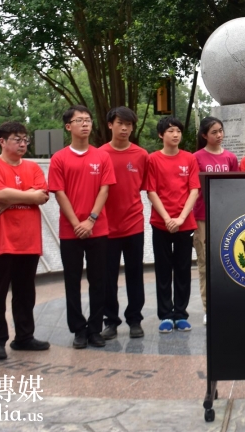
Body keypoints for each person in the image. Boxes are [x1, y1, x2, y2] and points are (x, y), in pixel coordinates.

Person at [0, 122, 50, 361]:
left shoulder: (33, 167)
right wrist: (26, 195)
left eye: (25, 139)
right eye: (17, 139)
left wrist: (11, 198)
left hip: (28, 241)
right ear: (2, 141)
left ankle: (24, 337)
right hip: (0, 241)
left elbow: (42, 196)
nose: (22, 144)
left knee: (25, 293)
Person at [49, 105, 116, 349]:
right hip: (70, 231)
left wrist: (91, 220)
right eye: (79, 120)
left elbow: (105, 189)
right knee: (72, 281)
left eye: (88, 120)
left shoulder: (102, 156)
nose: (85, 124)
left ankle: (95, 329)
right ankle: (78, 329)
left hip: (98, 229)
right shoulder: (59, 158)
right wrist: (77, 223)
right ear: (69, 126)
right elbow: (59, 193)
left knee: (99, 281)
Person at [146, 117, 200, 333]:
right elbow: (151, 191)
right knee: (163, 269)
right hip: (160, 223)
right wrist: (167, 218)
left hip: (184, 224)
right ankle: (166, 315)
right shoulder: (153, 159)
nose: (175, 134)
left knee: (183, 269)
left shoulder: (189, 158)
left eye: (178, 131)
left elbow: (194, 190)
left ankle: (181, 314)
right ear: (161, 135)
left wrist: (180, 218)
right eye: (170, 131)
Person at [101, 106, 149, 340]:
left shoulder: (141, 155)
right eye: (120, 123)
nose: (124, 128)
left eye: (128, 124)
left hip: (133, 224)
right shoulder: (100, 154)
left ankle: (134, 319)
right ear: (110, 125)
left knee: (134, 274)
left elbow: (143, 186)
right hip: (106, 226)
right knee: (108, 277)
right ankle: (110, 321)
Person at [193, 117, 239, 324]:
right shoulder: (196, 158)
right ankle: (208, 307)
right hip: (202, 216)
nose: (219, 135)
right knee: (205, 263)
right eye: (214, 132)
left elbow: (236, 187)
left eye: (221, 130)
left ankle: (227, 303)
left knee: (227, 261)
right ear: (204, 135)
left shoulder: (230, 158)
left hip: (226, 216)